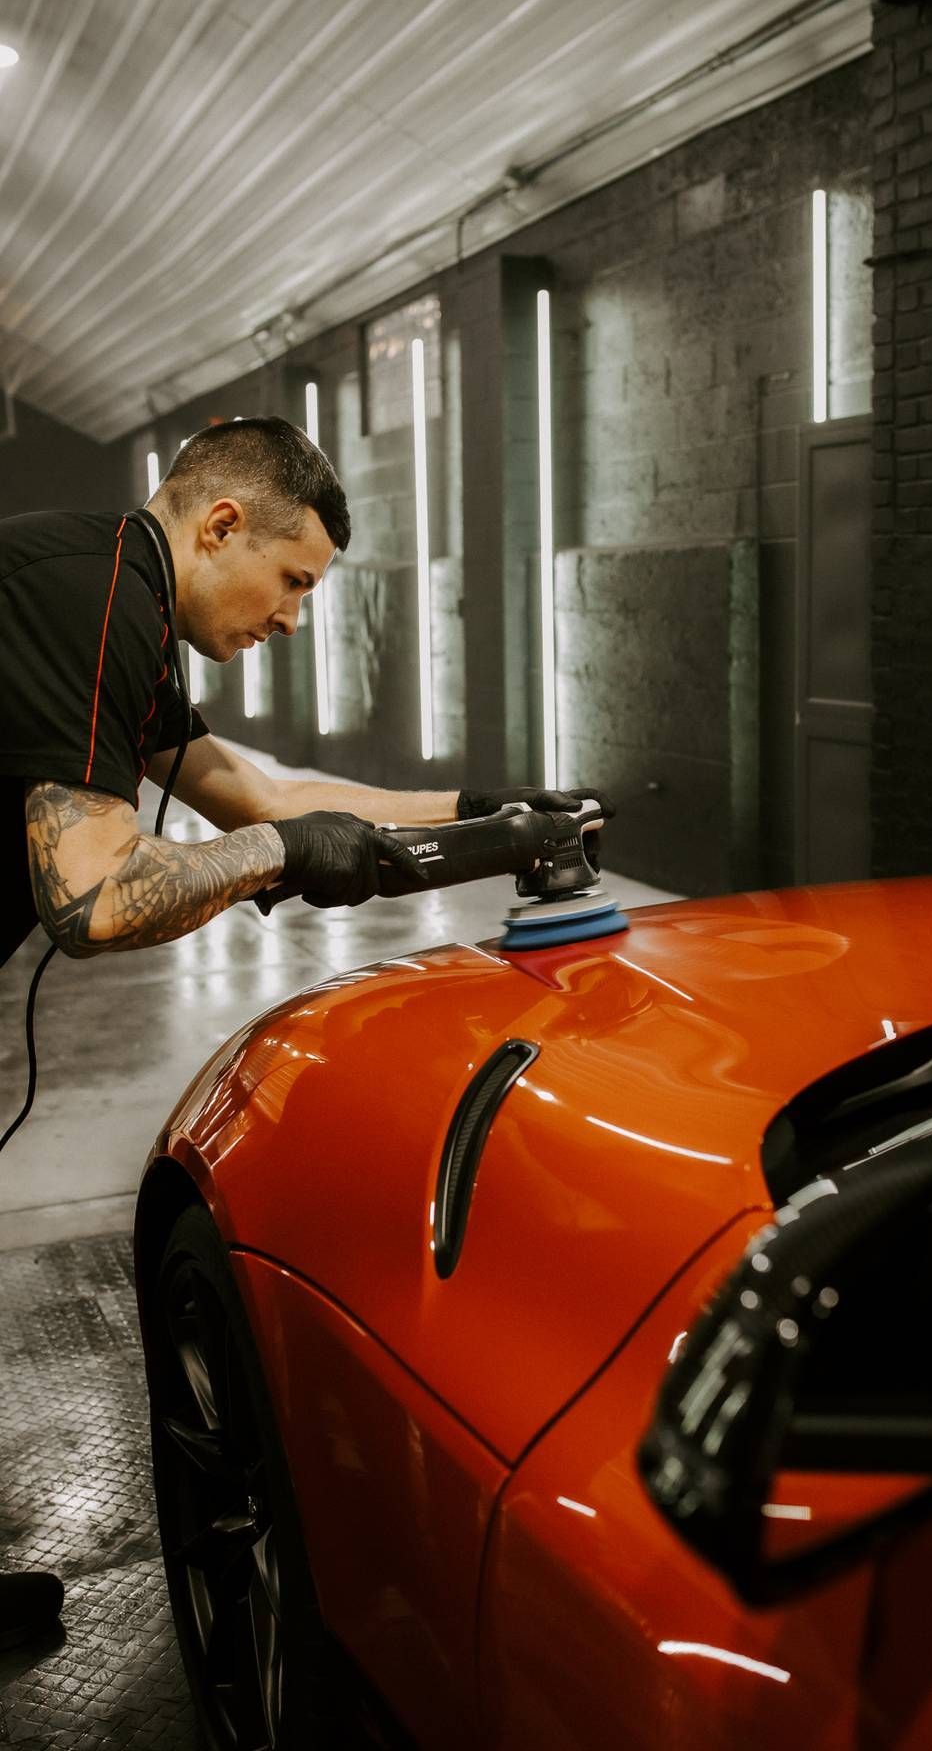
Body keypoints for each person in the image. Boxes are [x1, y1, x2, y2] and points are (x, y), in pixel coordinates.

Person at [0, 415, 608, 1649]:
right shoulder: (89, 600)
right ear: (219, 525)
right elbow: (94, 899)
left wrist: (485, 813)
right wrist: (273, 860)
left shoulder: (132, 609)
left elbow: (263, 793)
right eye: (292, 582)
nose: (293, 618)